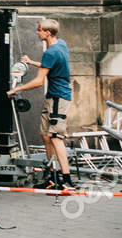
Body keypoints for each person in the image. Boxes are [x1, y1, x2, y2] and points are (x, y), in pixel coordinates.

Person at [7, 18, 74, 190]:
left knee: (56, 138)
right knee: (45, 135)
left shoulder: (51, 52)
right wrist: (31, 62)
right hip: (52, 97)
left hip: (59, 98)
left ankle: (66, 180)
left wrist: (16, 89)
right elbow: (50, 66)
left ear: (48, 33)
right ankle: (52, 176)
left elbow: (38, 81)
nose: (37, 32)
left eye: (39, 30)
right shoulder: (61, 45)